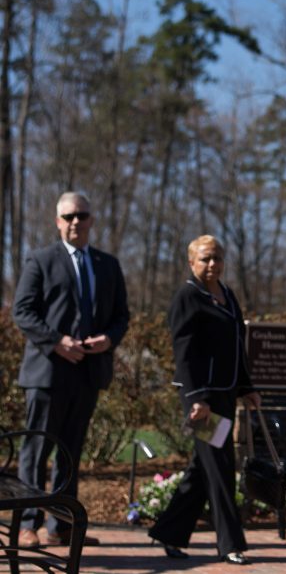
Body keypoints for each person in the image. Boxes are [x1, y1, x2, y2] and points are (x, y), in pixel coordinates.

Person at [14, 191, 130, 548]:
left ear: (92, 219)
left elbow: (121, 316)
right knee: (36, 451)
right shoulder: (41, 260)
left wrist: (108, 340)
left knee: (70, 451)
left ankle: (61, 524)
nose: (75, 221)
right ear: (57, 221)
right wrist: (57, 341)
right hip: (47, 373)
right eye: (68, 216)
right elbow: (23, 312)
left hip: (87, 373)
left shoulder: (107, 264)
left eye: (81, 215)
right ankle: (27, 524)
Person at [148, 235, 260, 565]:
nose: (212, 264)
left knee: (203, 469)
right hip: (202, 400)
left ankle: (169, 532)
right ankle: (230, 544)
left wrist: (247, 387)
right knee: (220, 467)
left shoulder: (227, 295)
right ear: (191, 262)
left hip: (225, 395)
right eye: (205, 259)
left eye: (217, 258)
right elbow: (183, 352)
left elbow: (238, 346)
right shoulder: (187, 296)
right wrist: (195, 397)